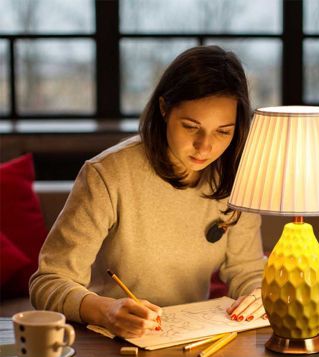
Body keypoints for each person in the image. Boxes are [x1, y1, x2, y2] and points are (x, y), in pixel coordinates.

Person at [30, 45, 265, 339]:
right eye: (191, 127)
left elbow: (248, 269)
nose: (205, 147)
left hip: (192, 337)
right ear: (164, 109)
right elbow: (49, 281)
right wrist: (106, 310)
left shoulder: (236, 178)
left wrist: (258, 296)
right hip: (112, 341)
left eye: (223, 131)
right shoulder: (107, 174)